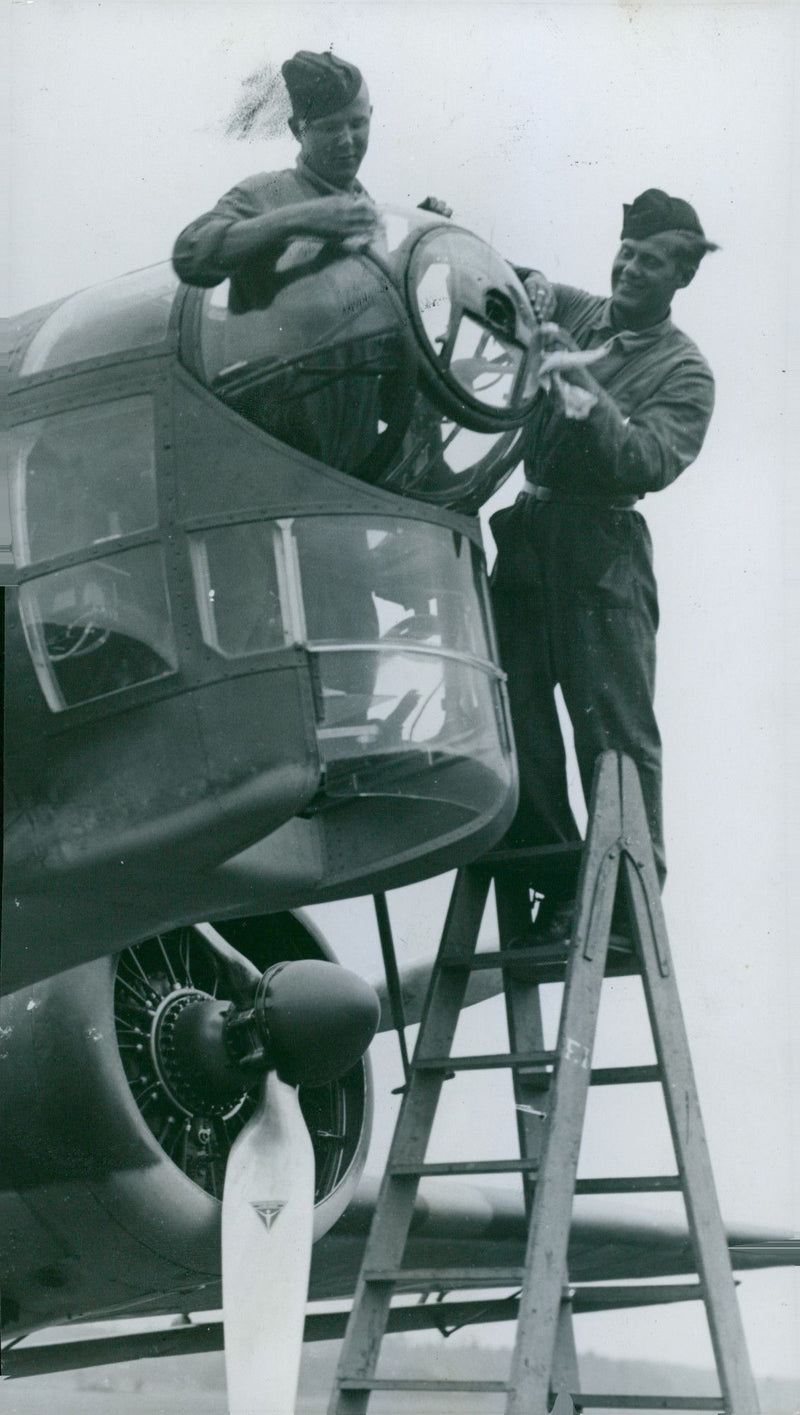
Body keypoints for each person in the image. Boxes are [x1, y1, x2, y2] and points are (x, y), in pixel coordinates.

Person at [490, 189, 718, 920]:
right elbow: (512, 280)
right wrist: (507, 272)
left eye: (650, 262)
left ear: (679, 278)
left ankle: (626, 904)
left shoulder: (687, 372)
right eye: (627, 252)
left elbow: (645, 460)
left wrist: (583, 384)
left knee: (613, 732)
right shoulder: (579, 309)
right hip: (529, 535)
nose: (630, 268)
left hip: (604, 551)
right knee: (509, 709)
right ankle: (556, 881)